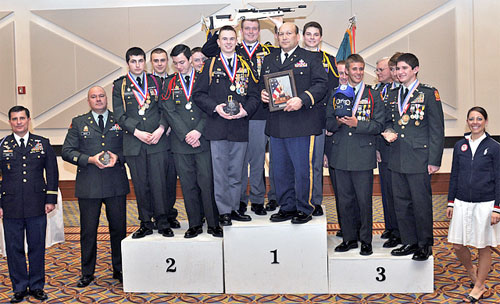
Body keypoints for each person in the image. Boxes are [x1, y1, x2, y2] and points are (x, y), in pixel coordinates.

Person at [202, 19, 279, 215]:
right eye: (246, 28)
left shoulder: (267, 51)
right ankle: (239, 203)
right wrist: (228, 25)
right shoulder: (233, 50)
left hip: (257, 111)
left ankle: (257, 199)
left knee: (257, 159)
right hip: (229, 118)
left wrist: (279, 26)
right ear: (240, 32)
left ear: (259, 31)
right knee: (238, 164)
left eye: (254, 28)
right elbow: (208, 48)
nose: (251, 32)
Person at [260, 22, 328, 224]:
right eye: (281, 34)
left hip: (302, 123)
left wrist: (303, 99)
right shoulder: (270, 59)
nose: (284, 37)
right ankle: (287, 206)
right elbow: (260, 84)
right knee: (280, 170)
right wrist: (263, 93)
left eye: (289, 33)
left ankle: (304, 208)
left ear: (297, 37)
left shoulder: (311, 58)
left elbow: (321, 85)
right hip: (277, 124)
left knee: (302, 169)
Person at [62, 86, 129, 287]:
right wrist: (89, 159)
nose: (98, 99)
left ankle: (120, 269)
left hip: (115, 184)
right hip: (89, 186)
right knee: (88, 231)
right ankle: (87, 273)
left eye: (101, 96)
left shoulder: (121, 120)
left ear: (106, 98)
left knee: (118, 229)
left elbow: (132, 148)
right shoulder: (78, 122)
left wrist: (119, 158)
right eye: (94, 97)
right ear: (88, 100)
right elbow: (67, 151)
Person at [193, 26, 260, 226]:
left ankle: (234, 208)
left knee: (237, 171)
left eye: (232, 39)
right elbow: (198, 94)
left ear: (237, 40)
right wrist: (215, 108)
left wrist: (245, 110)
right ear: (219, 42)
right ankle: (223, 212)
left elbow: (255, 95)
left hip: (240, 125)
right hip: (217, 125)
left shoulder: (246, 65)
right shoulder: (210, 65)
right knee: (220, 172)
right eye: (225, 39)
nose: (229, 42)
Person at [382, 53, 444, 261]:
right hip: (397, 156)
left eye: (404, 69)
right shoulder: (392, 95)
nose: (399, 73)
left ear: (415, 69)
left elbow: (437, 129)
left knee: (420, 203)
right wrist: (388, 130)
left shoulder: (428, 93)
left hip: (419, 158)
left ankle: (424, 244)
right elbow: (389, 121)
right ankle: (408, 241)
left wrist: (434, 160)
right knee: (401, 203)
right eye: (397, 69)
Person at [162, 44, 223, 238]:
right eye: (175, 63)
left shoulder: (204, 80)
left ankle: (213, 223)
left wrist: (197, 131)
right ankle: (195, 224)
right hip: (181, 144)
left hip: (203, 140)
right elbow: (169, 111)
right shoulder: (170, 83)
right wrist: (186, 134)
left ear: (190, 59)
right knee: (188, 185)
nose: (179, 66)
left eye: (182, 62)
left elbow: (210, 108)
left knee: (207, 183)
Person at [112, 46, 174, 238]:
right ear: (128, 63)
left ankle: (163, 222)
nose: (137, 65)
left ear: (145, 62)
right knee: (141, 184)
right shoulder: (120, 85)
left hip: (158, 140)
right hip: (135, 142)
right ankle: (146, 223)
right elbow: (119, 115)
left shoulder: (155, 81)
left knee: (159, 183)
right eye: (133, 61)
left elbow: (166, 108)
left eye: (140, 61)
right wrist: (137, 132)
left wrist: (161, 129)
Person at [326, 54, 384, 255]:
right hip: (340, 153)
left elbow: (379, 124)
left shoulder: (373, 95)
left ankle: (365, 240)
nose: (358, 73)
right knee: (344, 200)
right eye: (354, 69)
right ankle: (349, 239)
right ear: (347, 72)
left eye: (361, 69)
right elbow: (327, 123)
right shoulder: (336, 93)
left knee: (364, 200)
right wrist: (339, 122)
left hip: (363, 154)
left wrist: (358, 124)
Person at [0, 106, 58, 303]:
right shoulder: (2, 145)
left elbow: (52, 173)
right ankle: (19, 287)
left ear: (29, 120)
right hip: (10, 205)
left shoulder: (42, 143)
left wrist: (50, 199)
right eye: (14, 119)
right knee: (13, 247)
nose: (18, 122)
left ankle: (36, 286)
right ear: (10, 122)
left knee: (37, 246)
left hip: (37, 204)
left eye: (22, 118)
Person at [447, 106, 500, 303]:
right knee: (458, 245)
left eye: (479, 118)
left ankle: (479, 286)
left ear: (485, 121)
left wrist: (497, 208)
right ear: (467, 121)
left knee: (483, 246)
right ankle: (472, 272)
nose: (475, 122)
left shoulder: (494, 147)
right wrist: (451, 202)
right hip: (461, 202)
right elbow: (454, 175)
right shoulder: (460, 145)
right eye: (471, 119)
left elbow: (499, 178)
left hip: (485, 205)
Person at [302, 21, 339, 217]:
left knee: (316, 163)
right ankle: (298, 200)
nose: (312, 38)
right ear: (303, 36)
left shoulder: (329, 60)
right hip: (298, 117)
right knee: (299, 163)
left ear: (321, 37)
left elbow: (333, 93)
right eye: (309, 34)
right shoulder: (296, 57)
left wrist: (330, 121)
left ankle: (315, 200)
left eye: (316, 34)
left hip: (319, 118)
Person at [150, 47, 181, 229]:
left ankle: (170, 213)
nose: (160, 64)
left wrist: (169, 125)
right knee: (155, 180)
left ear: (167, 62)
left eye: (163, 60)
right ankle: (157, 215)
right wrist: (163, 126)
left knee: (171, 179)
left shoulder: (173, 81)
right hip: (155, 137)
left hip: (173, 137)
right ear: (151, 63)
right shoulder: (147, 82)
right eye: (156, 61)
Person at [374, 56, 401, 248]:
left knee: (398, 192)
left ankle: (400, 231)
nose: (378, 73)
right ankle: (390, 226)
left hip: (397, 148)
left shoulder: (401, 91)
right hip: (381, 147)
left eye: (381, 69)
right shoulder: (376, 91)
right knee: (386, 191)